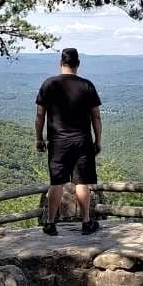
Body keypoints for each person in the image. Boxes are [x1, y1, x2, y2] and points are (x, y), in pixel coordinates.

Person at [35, 47, 102, 235]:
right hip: (82, 141)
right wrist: (98, 140)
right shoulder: (87, 85)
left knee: (56, 182)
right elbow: (96, 117)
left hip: (57, 142)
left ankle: (50, 223)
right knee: (82, 183)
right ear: (78, 64)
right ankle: (87, 222)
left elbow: (40, 116)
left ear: (60, 63)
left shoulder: (49, 84)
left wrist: (39, 138)